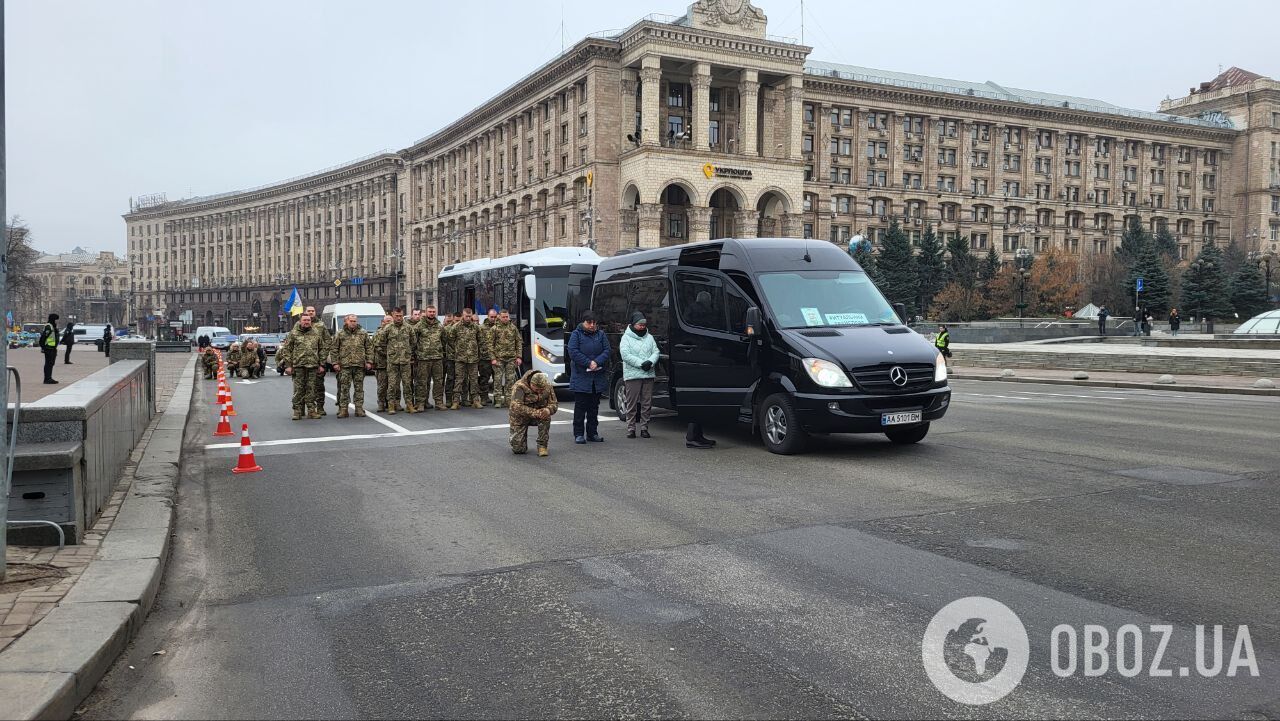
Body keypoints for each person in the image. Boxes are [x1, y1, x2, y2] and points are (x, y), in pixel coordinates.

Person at [567, 309, 610, 444]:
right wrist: (588, 362)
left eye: (594, 323)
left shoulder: (601, 334)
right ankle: (579, 434)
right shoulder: (576, 334)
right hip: (581, 376)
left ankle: (592, 432)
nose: (592, 325)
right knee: (580, 407)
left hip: (596, 377)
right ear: (583, 322)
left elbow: (607, 350)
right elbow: (573, 351)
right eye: (589, 322)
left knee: (594, 406)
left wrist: (597, 362)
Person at [279, 313, 327, 420]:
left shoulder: (316, 333)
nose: (306, 322)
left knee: (311, 389)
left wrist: (322, 364)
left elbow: (322, 349)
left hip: (313, 366)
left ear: (311, 322)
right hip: (298, 366)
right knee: (298, 389)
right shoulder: (293, 334)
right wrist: (288, 365)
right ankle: (297, 411)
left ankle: (311, 410)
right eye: (304, 320)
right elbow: (286, 350)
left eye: (308, 320)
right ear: (300, 321)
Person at [619, 311, 659, 439]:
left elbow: (656, 351)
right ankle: (631, 428)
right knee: (631, 403)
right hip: (633, 375)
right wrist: (642, 363)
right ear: (633, 324)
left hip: (648, 374)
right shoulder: (626, 338)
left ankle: (644, 428)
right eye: (640, 324)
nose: (642, 327)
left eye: (644, 324)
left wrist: (651, 361)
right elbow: (625, 355)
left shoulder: (650, 337)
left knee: (646, 403)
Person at [329, 314, 373, 418]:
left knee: (359, 388)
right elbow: (334, 349)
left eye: (355, 321)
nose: (353, 323)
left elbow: (369, 348)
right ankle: (343, 409)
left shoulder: (363, 333)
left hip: (359, 365)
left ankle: (359, 408)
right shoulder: (340, 333)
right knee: (344, 388)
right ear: (346, 322)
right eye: (351, 321)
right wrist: (335, 363)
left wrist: (369, 361)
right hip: (345, 366)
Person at [509, 369, 558, 457]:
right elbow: (516, 407)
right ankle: (517, 440)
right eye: (537, 389)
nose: (539, 392)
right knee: (519, 450)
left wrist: (548, 410)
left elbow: (554, 403)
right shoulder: (519, 387)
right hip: (520, 417)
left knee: (546, 416)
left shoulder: (548, 386)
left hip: (538, 415)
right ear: (531, 384)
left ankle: (542, 446)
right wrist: (536, 412)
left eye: (542, 390)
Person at [450, 308, 489, 410]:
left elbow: (481, 342)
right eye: (466, 316)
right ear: (463, 315)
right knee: (459, 380)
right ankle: (455, 402)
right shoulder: (456, 327)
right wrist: (457, 351)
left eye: (469, 316)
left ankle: (475, 400)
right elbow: (450, 340)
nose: (468, 318)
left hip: (473, 359)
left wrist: (479, 354)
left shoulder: (476, 328)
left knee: (474, 380)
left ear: (471, 315)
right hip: (460, 358)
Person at [412, 306, 447, 410]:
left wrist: (440, 351)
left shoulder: (440, 326)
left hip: (437, 358)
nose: (432, 313)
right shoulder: (419, 326)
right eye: (430, 312)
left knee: (438, 381)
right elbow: (413, 341)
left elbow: (444, 340)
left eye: (433, 312)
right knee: (422, 381)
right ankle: (421, 403)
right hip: (423, 359)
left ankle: (439, 402)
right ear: (426, 312)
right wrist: (415, 355)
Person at [383, 307, 416, 414]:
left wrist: (408, 353)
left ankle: (409, 405)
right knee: (392, 385)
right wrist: (389, 353)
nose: (398, 318)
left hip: (405, 361)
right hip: (392, 362)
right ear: (393, 315)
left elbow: (413, 342)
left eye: (400, 316)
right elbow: (381, 343)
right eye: (396, 316)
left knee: (407, 384)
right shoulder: (388, 328)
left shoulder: (408, 328)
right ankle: (391, 405)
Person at [488, 309, 523, 408]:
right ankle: (498, 400)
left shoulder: (513, 328)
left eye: (506, 317)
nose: (505, 318)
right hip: (499, 358)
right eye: (503, 317)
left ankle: (508, 400)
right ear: (499, 317)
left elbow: (518, 342)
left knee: (510, 380)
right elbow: (490, 345)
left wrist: (519, 357)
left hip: (511, 358)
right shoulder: (494, 329)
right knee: (498, 380)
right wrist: (493, 358)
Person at [478, 308, 499, 403]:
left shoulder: (500, 327)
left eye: (495, 317)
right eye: (491, 317)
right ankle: (484, 397)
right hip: (485, 357)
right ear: (488, 316)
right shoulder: (481, 328)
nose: (493, 319)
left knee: (497, 378)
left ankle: (497, 398)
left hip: (497, 357)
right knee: (484, 378)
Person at [372, 315, 392, 411]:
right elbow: (377, 347)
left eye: (390, 321)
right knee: (382, 385)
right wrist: (390, 353)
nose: (388, 323)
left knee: (393, 385)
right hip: (382, 364)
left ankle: (391, 402)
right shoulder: (378, 333)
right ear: (382, 322)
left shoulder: (395, 332)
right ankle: (381, 402)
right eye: (387, 321)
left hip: (394, 364)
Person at [39, 313, 60, 384]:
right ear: (53, 319)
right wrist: (43, 347)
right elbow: (43, 338)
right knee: (48, 364)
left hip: (52, 348)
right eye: (56, 320)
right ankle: (47, 379)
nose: (57, 321)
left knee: (51, 363)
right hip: (48, 348)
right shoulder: (49, 326)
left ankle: (49, 377)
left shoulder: (53, 327)